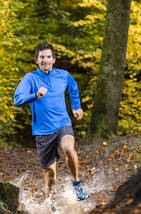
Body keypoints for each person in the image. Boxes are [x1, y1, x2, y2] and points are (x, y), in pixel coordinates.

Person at [13, 42, 88, 200]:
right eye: (42, 57)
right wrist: (35, 95)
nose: (45, 60)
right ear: (36, 60)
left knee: (68, 148)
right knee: (51, 174)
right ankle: (48, 203)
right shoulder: (30, 78)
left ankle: (77, 183)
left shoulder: (64, 75)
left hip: (62, 122)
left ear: (54, 60)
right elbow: (17, 99)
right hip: (42, 130)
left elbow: (73, 87)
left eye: (48, 57)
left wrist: (76, 107)